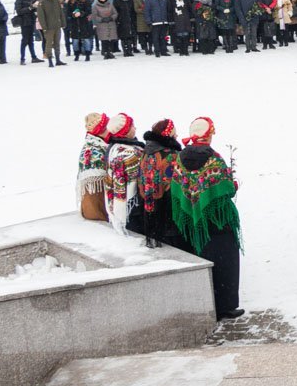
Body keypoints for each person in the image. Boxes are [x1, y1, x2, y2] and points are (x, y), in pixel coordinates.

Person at [172, 117, 243, 319]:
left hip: (193, 218)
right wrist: (233, 185)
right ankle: (226, 305)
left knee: (203, 255)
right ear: (208, 134)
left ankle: (207, 302)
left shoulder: (180, 158)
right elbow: (225, 189)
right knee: (225, 260)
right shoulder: (214, 159)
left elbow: (178, 186)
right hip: (218, 219)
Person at [141, 119, 182, 249]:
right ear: (168, 134)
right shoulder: (172, 155)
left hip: (148, 208)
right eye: (174, 133)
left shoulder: (146, 152)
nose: (176, 136)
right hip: (168, 212)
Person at [104, 113, 145, 236]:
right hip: (133, 206)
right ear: (126, 131)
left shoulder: (113, 148)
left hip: (119, 204)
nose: (135, 128)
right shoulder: (132, 152)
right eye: (132, 126)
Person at [77, 113, 110, 221]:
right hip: (98, 210)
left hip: (89, 209)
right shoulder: (96, 149)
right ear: (100, 130)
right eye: (107, 127)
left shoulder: (90, 146)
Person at [14, 0, 42, 64]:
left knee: (31, 41)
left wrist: (35, 7)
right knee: (25, 41)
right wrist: (30, 8)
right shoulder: (19, 0)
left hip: (31, 21)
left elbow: (31, 9)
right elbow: (19, 11)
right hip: (24, 22)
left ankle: (34, 57)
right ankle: (22, 58)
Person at [37, 0, 65, 67]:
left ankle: (58, 59)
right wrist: (44, 27)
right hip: (48, 28)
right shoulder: (42, 3)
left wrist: (63, 23)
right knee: (48, 44)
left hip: (57, 26)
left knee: (57, 43)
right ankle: (50, 60)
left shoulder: (56, 1)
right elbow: (41, 16)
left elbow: (61, 13)